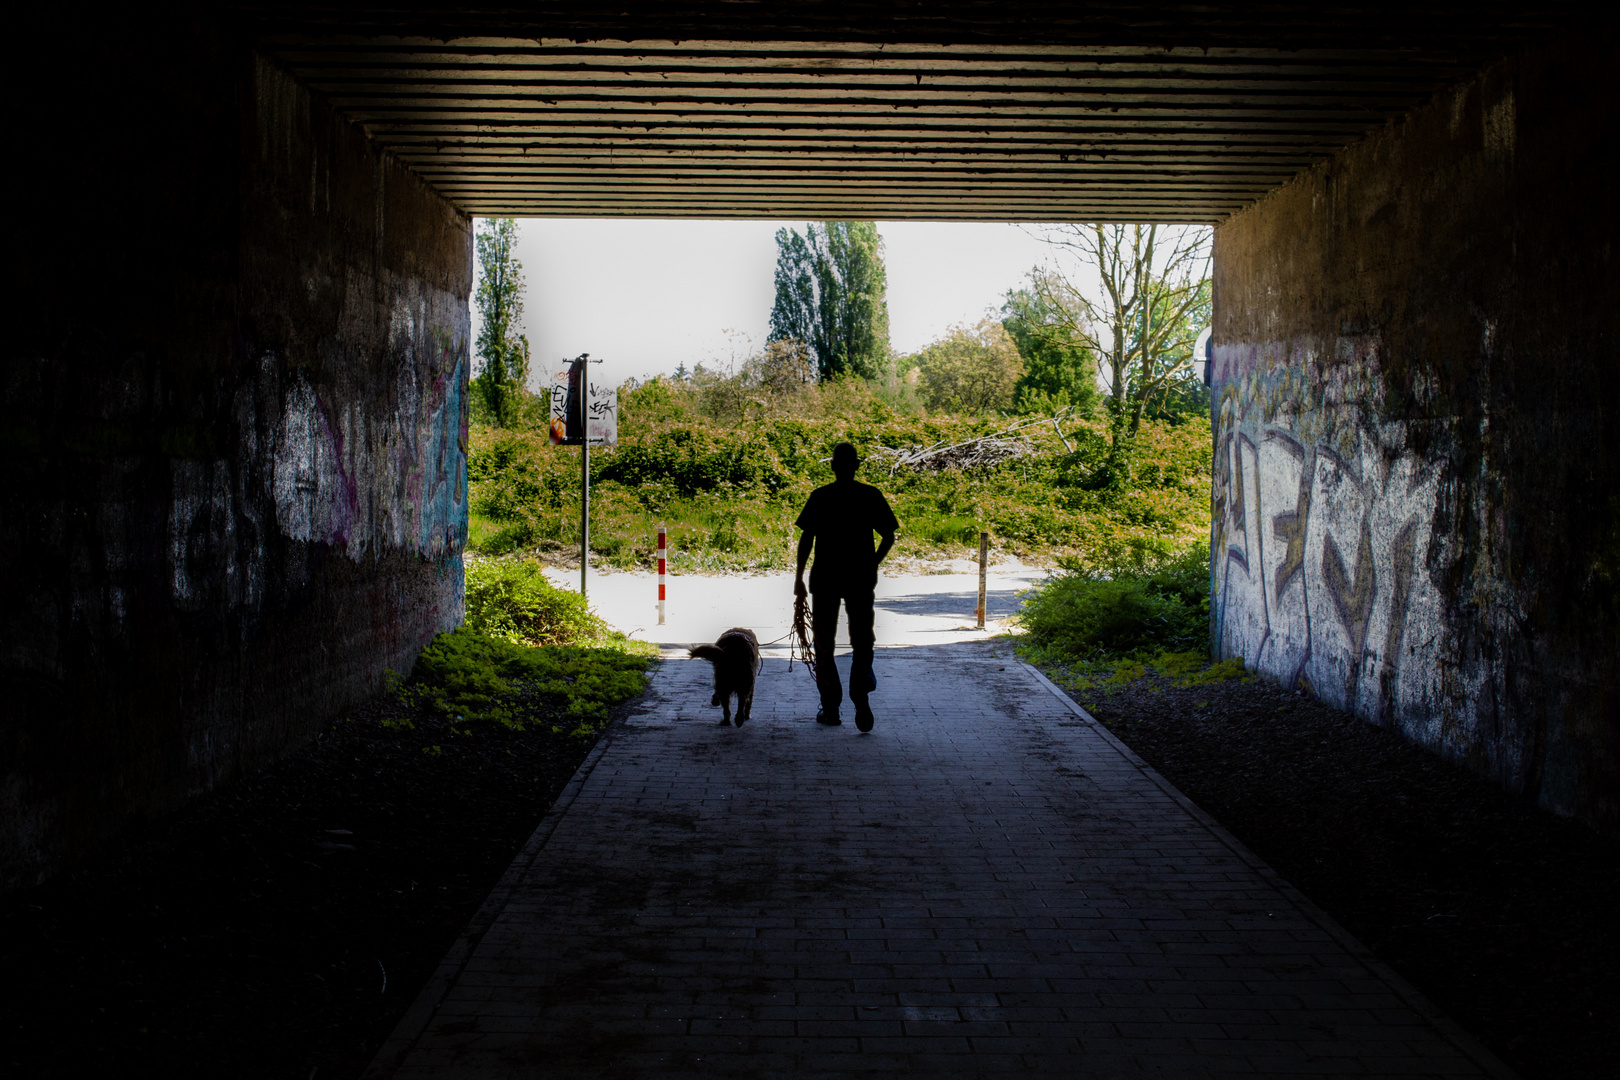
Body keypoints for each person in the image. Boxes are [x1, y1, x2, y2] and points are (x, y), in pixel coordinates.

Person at [793, 443, 898, 732]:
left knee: (824, 644)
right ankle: (860, 694)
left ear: (832, 466)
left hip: (825, 579)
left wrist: (799, 578)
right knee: (863, 640)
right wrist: (872, 563)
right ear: (857, 465)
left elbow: (806, 540)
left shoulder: (821, 496)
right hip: (860, 580)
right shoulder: (870, 495)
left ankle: (831, 708)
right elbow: (888, 535)